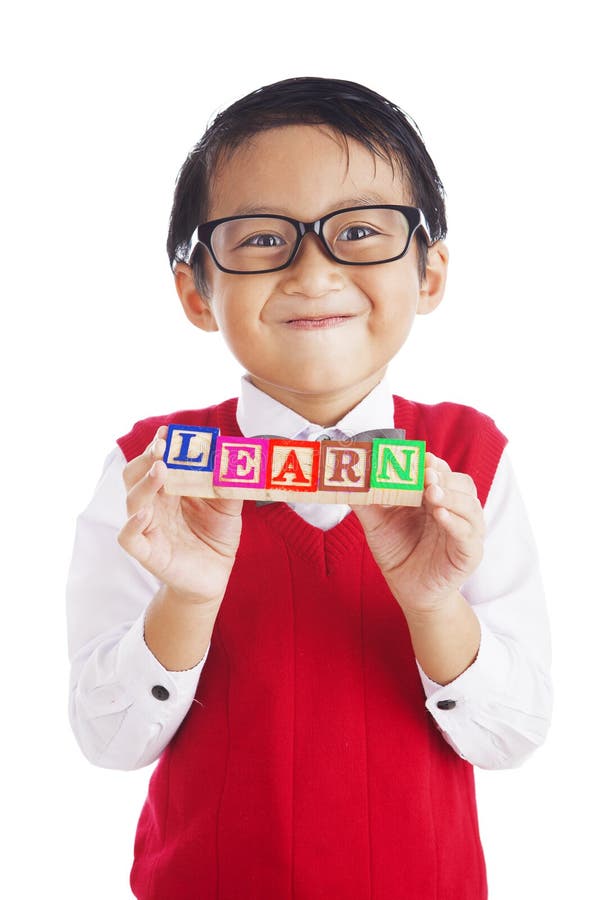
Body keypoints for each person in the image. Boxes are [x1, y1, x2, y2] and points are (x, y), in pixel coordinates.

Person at [66, 76, 552, 900]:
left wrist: (435, 606)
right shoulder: (149, 469)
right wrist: (184, 600)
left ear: (430, 272)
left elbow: (512, 735)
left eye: (360, 231)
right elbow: (107, 741)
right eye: (261, 239)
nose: (314, 269)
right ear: (195, 290)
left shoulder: (471, 460)